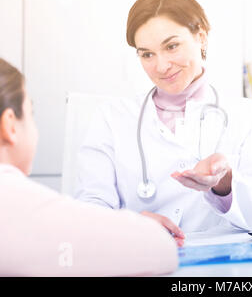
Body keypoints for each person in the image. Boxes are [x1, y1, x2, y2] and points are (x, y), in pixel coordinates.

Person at [74, 0, 252, 245]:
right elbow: (90, 208)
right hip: (139, 257)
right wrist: (129, 225)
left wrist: (224, 184)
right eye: (147, 54)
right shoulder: (112, 118)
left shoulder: (243, 114)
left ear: (201, 37)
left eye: (171, 46)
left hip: (221, 265)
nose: (161, 66)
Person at [0, 58, 178, 276]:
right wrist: (135, 225)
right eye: (31, 113)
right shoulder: (13, 199)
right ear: (9, 125)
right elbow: (159, 250)